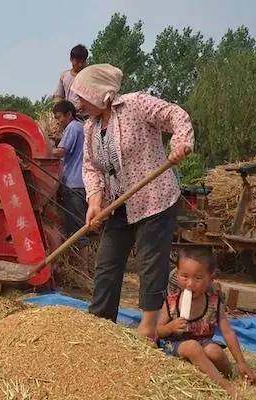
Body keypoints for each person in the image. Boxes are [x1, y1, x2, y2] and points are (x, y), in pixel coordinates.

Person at [70, 63, 194, 340]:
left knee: (150, 263)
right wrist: (94, 202)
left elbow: (176, 114)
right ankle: (100, 323)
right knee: (107, 263)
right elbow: (91, 168)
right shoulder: (90, 127)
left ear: (100, 93)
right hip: (118, 204)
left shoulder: (136, 105)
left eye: (82, 97)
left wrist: (180, 143)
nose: (78, 103)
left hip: (155, 199)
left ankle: (148, 329)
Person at [157, 248, 256, 398]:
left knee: (215, 351)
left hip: (203, 341)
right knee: (193, 347)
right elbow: (159, 330)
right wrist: (171, 327)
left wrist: (241, 362)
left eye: (198, 278)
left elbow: (228, 333)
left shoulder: (214, 303)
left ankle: (227, 376)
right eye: (184, 276)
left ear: (210, 279)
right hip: (175, 344)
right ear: (177, 273)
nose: (190, 284)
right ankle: (225, 386)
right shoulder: (171, 301)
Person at [51, 100, 90, 266]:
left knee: (77, 230)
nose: (57, 121)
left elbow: (61, 151)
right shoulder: (80, 127)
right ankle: (78, 268)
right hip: (80, 184)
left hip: (73, 185)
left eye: (59, 117)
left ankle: (83, 271)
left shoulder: (72, 127)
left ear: (68, 114)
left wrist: (38, 150)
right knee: (76, 227)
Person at [54, 44, 88, 116]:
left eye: (82, 61)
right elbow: (59, 96)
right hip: (69, 116)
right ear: (71, 59)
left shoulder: (89, 76)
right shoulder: (64, 76)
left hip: (85, 117)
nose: (80, 65)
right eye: (78, 61)